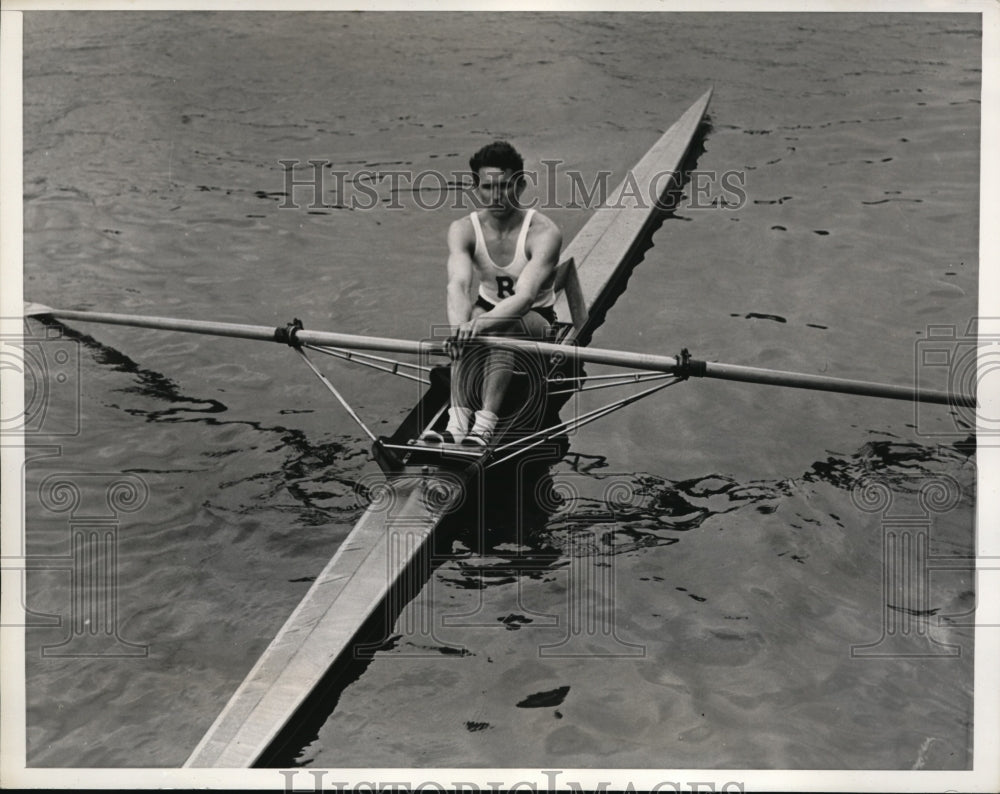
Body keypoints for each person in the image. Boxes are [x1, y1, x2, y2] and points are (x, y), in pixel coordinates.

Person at [421, 140, 562, 447]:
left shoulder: (544, 232)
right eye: (488, 187)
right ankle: (456, 424)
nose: (496, 196)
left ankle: (484, 425)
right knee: (469, 317)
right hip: (485, 312)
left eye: (505, 186)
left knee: (501, 325)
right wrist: (460, 329)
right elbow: (457, 285)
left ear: (521, 185)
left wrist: (479, 327)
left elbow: (524, 299)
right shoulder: (463, 229)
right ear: (476, 187)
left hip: (535, 319)